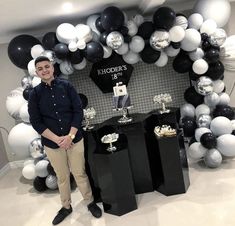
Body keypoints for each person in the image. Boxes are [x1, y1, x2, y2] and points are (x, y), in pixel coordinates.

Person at [28, 56, 102, 225]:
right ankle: (66, 207)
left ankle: (89, 202)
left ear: (52, 68)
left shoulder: (67, 86)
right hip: (52, 145)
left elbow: (78, 111)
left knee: (79, 173)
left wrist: (69, 137)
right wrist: (57, 139)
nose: (44, 70)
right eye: (40, 68)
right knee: (62, 177)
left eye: (47, 66)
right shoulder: (35, 95)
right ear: (37, 72)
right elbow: (36, 121)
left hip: (74, 139)